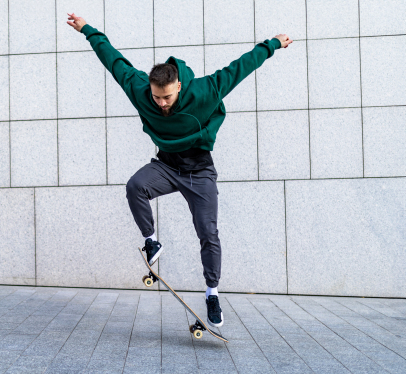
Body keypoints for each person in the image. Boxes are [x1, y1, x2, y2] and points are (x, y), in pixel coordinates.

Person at [67, 13, 292, 328]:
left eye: (167, 97)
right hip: (167, 166)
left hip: (199, 172)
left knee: (208, 233)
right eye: (157, 97)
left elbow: (240, 67)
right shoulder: (139, 89)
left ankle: (212, 292)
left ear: (180, 86)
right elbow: (114, 61)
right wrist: (87, 30)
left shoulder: (205, 90)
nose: (161, 103)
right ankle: (151, 240)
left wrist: (272, 45)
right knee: (135, 186)